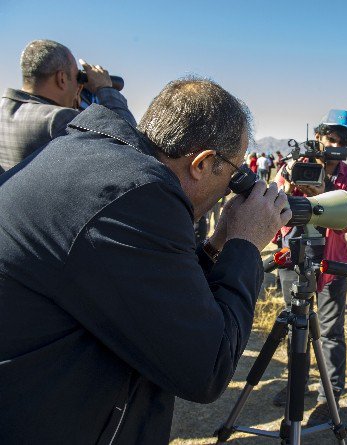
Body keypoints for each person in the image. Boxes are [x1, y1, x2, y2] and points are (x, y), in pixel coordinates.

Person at [0, 78, 291, 444]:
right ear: (202, 163)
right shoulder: (138, 196)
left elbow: (159, 295)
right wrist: (246, 245)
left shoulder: (100, 162)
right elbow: (207, 368)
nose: (232, 190)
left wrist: (218, 243)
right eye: (235, 176)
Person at [273, 109, 347, 426]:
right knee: (294, 322)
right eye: (327, 137)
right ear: (318, 137)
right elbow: (275, 203)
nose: (330, 144)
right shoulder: (298, 166)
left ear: (345, 144)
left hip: (331, 262)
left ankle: (329, 397)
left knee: (329, 332)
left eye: (338, 140)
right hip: (293, 254)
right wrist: (286, 176)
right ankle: (296, 384)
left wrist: (323, 196)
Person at [0, 39, 135, 171]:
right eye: (77, 78)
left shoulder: (3, 110)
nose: (79, 86)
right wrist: (105, 88)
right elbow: (131, 148)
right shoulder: (59, 118)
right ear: (62, 78)